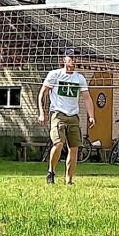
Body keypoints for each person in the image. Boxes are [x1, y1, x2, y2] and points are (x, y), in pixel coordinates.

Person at [38, 49, 95, 185]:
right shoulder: (55, 75)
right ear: (64, 60)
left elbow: (87, 98)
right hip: (58, 114)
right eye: (70, 57)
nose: (73, 60)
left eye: (75, 57)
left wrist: (91, 116)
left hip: (73, 116)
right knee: (58, 143)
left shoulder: (79, 78)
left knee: (74, 148)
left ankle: (69, 180)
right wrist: (42, 112)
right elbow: (42, 94)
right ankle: (51, 171)